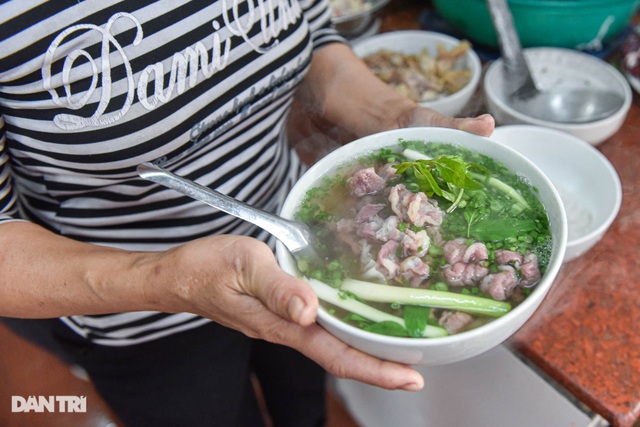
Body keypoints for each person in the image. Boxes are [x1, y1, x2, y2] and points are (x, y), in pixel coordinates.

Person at [0, 1, 494, 426]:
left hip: (296, 245)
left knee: (304, 404)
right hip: (137, 314)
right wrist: (167, 278)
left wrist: (393, 117)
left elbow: (311, 36)